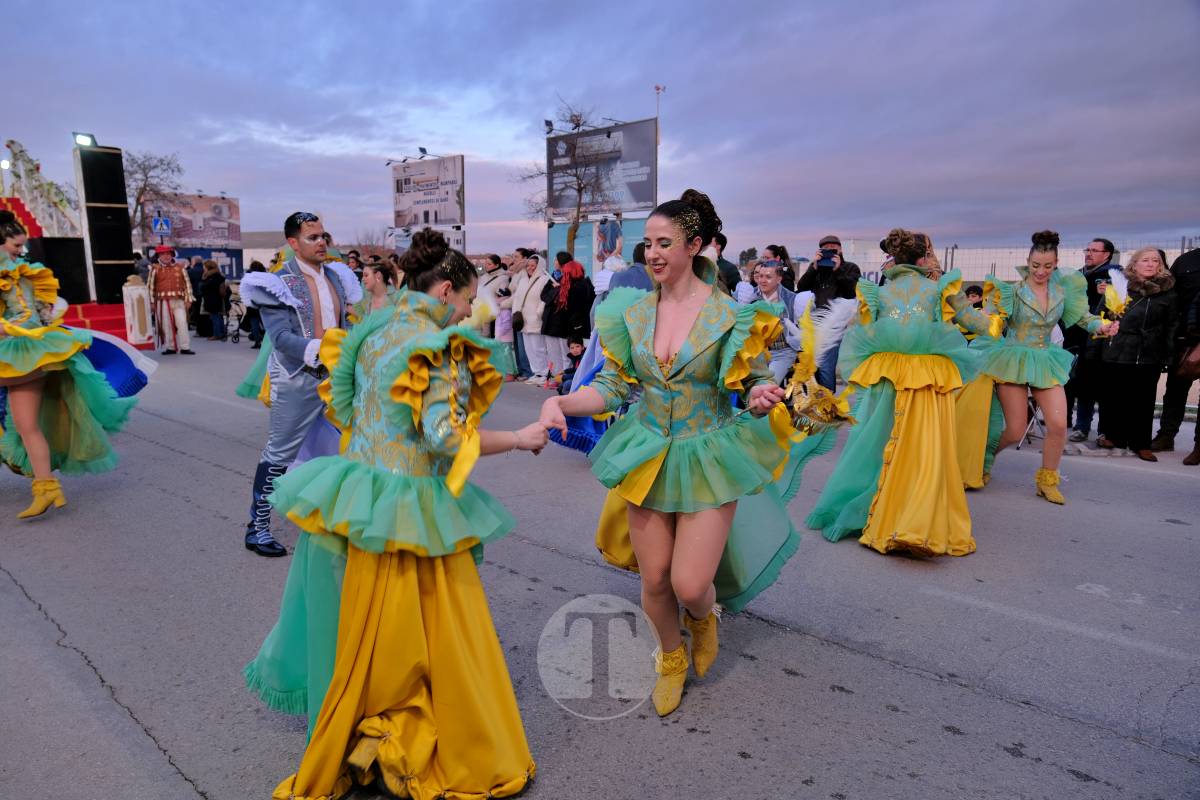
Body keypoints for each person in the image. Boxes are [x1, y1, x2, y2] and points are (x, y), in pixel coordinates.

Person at [247, 227, 542, 800]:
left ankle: (364, 733)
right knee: (423, 639)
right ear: (450, 289)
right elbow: (444, 438)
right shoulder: (436, 346)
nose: (468, 312)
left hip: (356, 498)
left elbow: (348, 408)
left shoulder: (372, 331)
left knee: (356, 634)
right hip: (408, 508)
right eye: (467, 300)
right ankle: (404, 736)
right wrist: (522, 436)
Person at [540, 189, 794, 717]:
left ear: (695, 245)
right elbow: (611, 387)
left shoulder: (732, 315)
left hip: (709, 451)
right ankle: (671, 657)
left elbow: (754, 382)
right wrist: (564, 399)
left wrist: (760, 395)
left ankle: (703, 617)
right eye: (648, 243)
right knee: (654, 577)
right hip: (649, 450)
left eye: (664, 243)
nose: (652, 253)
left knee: (690, 582)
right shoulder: (629, 314)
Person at [807, 228, 990, 556]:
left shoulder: (878, 292)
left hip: (886, 372)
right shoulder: (940, 288)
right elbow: (975, 324)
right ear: (922, 259)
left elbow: (865, 332)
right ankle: (912, 519)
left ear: (895, 258)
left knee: (878, 444)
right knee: (923, 450)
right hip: (926, 377)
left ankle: (873, 510)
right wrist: (996, 324)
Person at [237, 212, 360, 557]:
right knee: (280, 452)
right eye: (312, 237)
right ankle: (257, 527)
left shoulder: (338, 276)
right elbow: (280, 338)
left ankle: (340, 520)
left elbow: (345, 324)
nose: (322, 242)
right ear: (293, 243)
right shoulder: (275, 282)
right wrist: (324, 351)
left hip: (337, 379)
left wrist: (353, 349)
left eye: (324, 236)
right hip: (297, 379)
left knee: (351, 445)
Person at [0, 210, 136, 518]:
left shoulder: (16, 275)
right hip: (15, 354)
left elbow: (27, 317)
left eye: (21, 247)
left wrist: (4, 327)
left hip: (21, 354)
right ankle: (47, 489)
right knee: (25, 427)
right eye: (15, 247)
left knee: (27, 426)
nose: (22, 253)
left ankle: (45, 489)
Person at [971, 231, 1116, 503]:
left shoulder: (1063, 290)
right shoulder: (1011, 291)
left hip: (1045, 359)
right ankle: (984, 460)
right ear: (1028, 261)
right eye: (1036, 265)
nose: (1041, 271)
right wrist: (986, 318)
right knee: (1015, 430)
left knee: (1059, 424)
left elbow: (1084, 318)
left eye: (1048, 266)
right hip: (1013, 359)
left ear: (1056, 263)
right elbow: (995, 325)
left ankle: (1047, 481)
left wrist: (1103, 326)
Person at [1096, 248, 1177, 460]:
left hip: (1150, 352)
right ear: (1134, 264)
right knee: (1117, 396)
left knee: (1144, 399)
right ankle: (1116, 438)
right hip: (1120, 348)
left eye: (1155, 261)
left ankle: (1141, 443)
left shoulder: (1168, 291)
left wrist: (1168, 356)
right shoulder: (1120, 286)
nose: (1150, 264)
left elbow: (1172, 326)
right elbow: (1100, 316)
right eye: (1145, 260)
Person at [1064, 238, 1119, 443]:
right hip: (1078, 337)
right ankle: (1081, 427)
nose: (1088, 253)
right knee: (1082, 383)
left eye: (1094, 250)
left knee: (1104, 386)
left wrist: (1111, 294)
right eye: (1087, 249)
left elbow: (1122, 306)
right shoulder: (1078, 275)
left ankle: (1105, 430)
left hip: (1104, 338)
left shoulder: (1115, 274)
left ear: (1107, 255)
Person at [1152, 247, 1200, 464]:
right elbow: (1172, 295)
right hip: (1185, 337)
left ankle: (1199, 446)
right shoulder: (1186, 261)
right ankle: (1166, 436)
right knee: (1175, 391)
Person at [797, 235, 861, 389]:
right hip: (813, 323)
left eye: (833, 248)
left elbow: (852, 293)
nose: (830, 251)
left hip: (835, 325)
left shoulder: (850, 267)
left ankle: (827, 405)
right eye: (825, 249)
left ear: (840, 249)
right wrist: (813, 268)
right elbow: (801, 288)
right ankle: (812, 403)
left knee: (826, 365)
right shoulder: (816, 268)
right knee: (810, 365)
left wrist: (838, 270)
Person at [747, 259, 806, 384]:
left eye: (768, 277)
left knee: (768, 386)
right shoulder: (751, 297)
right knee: (751, 388)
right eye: (760, 276)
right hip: (758, 353)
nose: (762, 280)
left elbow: (802, 329)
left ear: (779, 279)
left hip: (782, 352)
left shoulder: (791, 299)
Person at [541, 252, 595, 382]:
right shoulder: (560, 281)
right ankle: (559, 377)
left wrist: (557, 290)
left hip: (568, 325)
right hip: (561, 324)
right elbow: (544, 296)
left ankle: (564, 378)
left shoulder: (576, 286)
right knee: (558, 352)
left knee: (568, 353)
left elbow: (572, 307)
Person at [147, 246, 196, 355]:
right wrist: (151, 302)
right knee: (166, 324)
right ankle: (171, 347)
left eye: (168, 254)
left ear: (172, 255)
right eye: (163, 254)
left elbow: (187, 285)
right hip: (162, 301)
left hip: (179, 300)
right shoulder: (154, 269)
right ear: (159, 256)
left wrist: (188, 299)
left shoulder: (181, 267)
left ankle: (185, 347)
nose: (166, 256)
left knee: (182, 322)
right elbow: (150, 287)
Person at [511, 252, 551, 385]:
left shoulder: (545, 279)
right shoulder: (523, 280)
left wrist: (539, 312)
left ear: (540, 265)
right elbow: (516, 297)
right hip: (524, 320)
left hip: (536, 319)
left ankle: (544, 373)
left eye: (533, 265)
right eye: (528, 265)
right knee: (529, 349)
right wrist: (516, 313)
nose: (530, 267)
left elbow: (545, 298)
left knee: (538, 348)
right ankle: (536, 372)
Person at [200, 260, 228, 341]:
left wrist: (203, 284)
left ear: (208, 267)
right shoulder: (219, 276)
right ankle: (222, 332)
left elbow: (204, 288)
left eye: (204, 267)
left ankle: (217, 334)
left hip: (211, 300)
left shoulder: (210, 277)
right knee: (218, 317)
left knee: (215, 317)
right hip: (218, 299)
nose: (203, 268)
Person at [243, 261, 267, 348]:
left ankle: (257, 341)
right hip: (263, 300)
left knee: (254, 322)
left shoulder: (248, 275)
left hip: (252, 301)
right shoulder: (265, 275)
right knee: (266, 322)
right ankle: (267, 342)